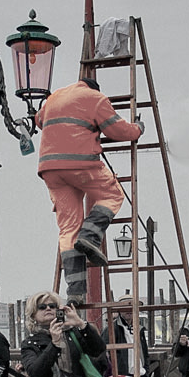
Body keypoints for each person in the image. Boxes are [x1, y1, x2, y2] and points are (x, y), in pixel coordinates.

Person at [33, 76, 143, 304]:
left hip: (50, 168)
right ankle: (90, 236)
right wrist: (138, 129)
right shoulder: (95, 98)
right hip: (81, 162)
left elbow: (38, 120)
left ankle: (75, 290)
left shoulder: (54, 98)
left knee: (68, 227)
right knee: (112, 195)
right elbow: (118, 130)